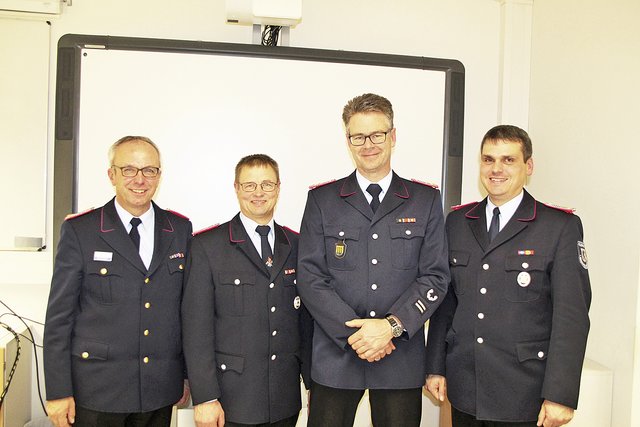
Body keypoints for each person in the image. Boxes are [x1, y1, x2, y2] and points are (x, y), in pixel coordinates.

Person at [297, 93, 450, 427]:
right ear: (348, 141)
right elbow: (310, 277)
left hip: (400, 359)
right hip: (337, 357)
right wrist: (358, 336)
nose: (368, 144)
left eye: (377, 134)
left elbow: (435, 277)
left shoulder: (424, 201)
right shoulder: (322, 200)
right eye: (358, 136)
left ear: (393, 136)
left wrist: (390, 328)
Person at [424, 125, 592, 427]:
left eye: (508, 160)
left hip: (524, 392)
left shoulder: (559, 227)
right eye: (488, 160)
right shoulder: (459, 221)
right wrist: (436, 366)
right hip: (466, 388)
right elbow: (446, 303)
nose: (496, 169)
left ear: (528, 166)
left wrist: (561, 394)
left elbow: (572, 317)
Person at [43, 136, 193, 427]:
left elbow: (185, 312)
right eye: (129, 170)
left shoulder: (179, 229)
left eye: (149, 170)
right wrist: (58, 391)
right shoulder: (81, 230)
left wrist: (185, 375)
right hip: (97, 391)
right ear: (111, 174)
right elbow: (59, 318)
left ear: (159, 176)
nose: (140, 179)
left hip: (158, 390)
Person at [182, 154, 312, 427]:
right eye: (249, 185)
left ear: (278, 188)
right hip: (231, 399)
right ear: (237, 188)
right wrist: (205, 397)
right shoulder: (208, 246)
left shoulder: (297, 245)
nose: (258, 193)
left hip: (284, 397)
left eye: (266, 184)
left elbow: (306, 322)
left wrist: (312, 385)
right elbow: (196, 328)